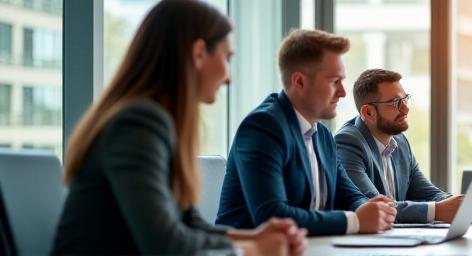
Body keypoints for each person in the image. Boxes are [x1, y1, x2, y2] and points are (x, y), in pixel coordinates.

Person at [54, 1, 304, 254]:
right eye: (227, 58)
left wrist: (253, 237)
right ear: (198, 53)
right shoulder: (138, 123)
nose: (228, 77)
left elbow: (188, 223)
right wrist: (254, 250)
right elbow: (165, 245)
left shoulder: (156, 121)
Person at [216, 29, 396, 235]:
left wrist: (369, 208)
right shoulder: (262, 127)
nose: (343, 92)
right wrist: (355, 221)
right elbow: (272, 216)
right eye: (333, 81)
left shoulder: (323, 135)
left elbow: (349, 195)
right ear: (299, 82)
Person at [335, 68, 472, 223]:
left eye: (405, 99)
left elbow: (426, 192)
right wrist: (438, 210)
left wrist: (459, 203)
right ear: (368, 113)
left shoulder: (399, 141)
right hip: (364, 244)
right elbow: (373, 207)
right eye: (395, 103)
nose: (405, 108)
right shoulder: (348, 142)